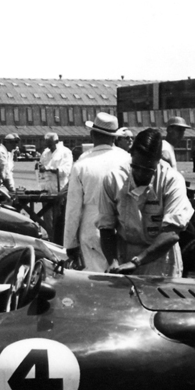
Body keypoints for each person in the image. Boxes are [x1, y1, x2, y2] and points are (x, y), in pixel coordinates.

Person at [97, 128, 194, 277]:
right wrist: (113, 261)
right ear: (131, 155)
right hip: (124, 255)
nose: (141, 173)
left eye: (148, 170)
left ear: (158, 161)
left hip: (160, 259)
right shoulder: (113, 179)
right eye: (136, 167)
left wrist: (137, 262)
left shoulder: (172, 180)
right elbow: (106, 227)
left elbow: (171, 233)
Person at [63, 113, 131, 272]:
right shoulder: (127, 159)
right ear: (114, 137)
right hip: (123, 226)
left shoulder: (82, 164)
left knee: (96, 279)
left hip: (92, 227)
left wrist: (70, 244)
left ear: (92, 134)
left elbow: (73, 209)